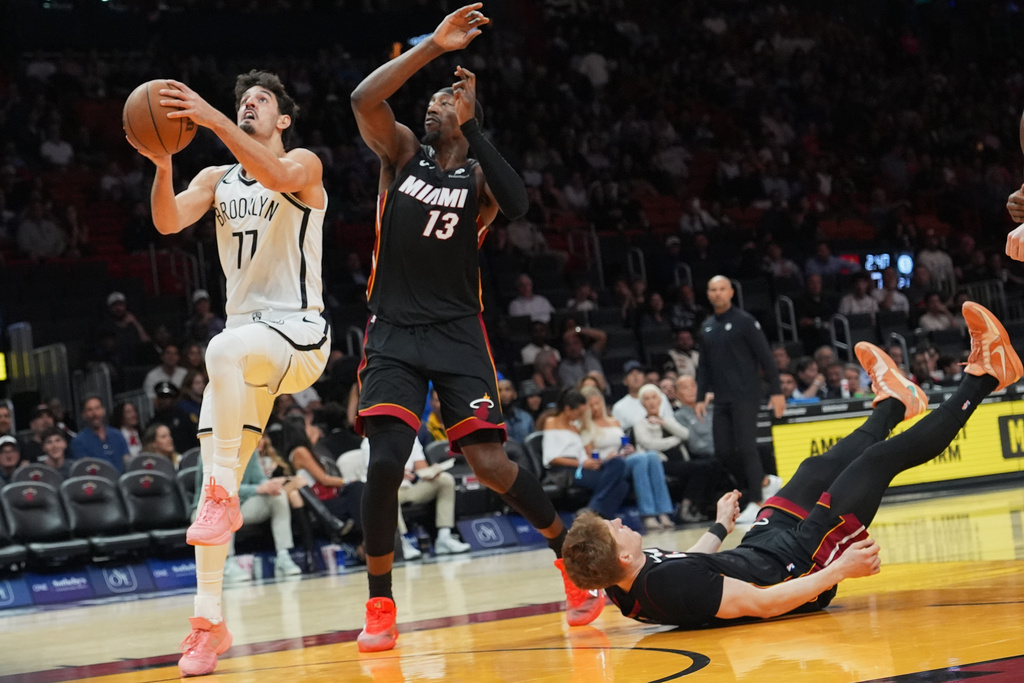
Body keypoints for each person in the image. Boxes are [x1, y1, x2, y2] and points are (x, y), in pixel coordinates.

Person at [349, 3, 601, 652]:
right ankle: (380, 600)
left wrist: (475, 125)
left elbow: (518, 204)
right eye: (431, 100)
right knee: (385, 461)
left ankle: (568, 562)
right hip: (395, 329)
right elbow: (363, 96)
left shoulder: (479, 177)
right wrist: (432, 47)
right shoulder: (401, 151)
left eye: (443, 101)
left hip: (460, 330)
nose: (432, 106)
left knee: (490, 462)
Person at [562, 303, 1019, 628]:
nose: (620, 520)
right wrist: (837, 571)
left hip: (764, 547)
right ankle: (986, 376)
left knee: (813, 469)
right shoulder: (670, 588)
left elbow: (690, 562)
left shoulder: (624, 580)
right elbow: (762, 604)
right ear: (622, 555)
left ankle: (896, 403)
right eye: (613, 527)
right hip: (801, 568)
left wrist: (720, 527)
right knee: (880, 460)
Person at [130, 69, 331, 676]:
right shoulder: (216, 179)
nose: (248, 104)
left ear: (284, 118)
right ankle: (206, 624)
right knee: (205, 501)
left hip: (298, 333)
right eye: (243, 99)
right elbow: (167, 222)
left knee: (219, 348)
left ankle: (224, 497)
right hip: (246, 352)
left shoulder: (304, 163)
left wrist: (212, 116)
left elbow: (274, 175)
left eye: (261, 100)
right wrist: (164, 160)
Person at [697, 276, 784, 525]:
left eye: (722, 289)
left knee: (746, 447)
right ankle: (765, 482)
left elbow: (766, 358)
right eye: (712, 290)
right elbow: (703, 365)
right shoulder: (707, 327)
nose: (717, 294)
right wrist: (701, 395)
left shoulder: (745, 322)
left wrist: (776, 391)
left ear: (731, 292)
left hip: (746, 394)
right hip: (721, 397)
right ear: (708, 294)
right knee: (723, 451)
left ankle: (758, 501)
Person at [358, 437, 471, 559]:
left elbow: (420, 466)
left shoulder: (411, 437)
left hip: (409, 488)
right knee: (388, 491)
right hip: (383, 490)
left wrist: (432, 471)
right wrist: (396, 472)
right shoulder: (370, 442)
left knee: (445, 480)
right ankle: (401, 543)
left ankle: (444, 537)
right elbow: (376, 473)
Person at [580, 386, 673, 531]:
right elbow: (590, 455)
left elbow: (623, 442)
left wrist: (629, 449)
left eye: (598, 403)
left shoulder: (614, 421)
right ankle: (648, 514)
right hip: (608, 466)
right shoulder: (586, 427)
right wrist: (607, 457)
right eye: (591, 405)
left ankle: (663, 512)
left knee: (652, 456)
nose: (596, 408)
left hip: (624, 458)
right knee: (641, 460)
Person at [217, 453, 305, 585]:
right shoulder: (212, 451)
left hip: (243, 504)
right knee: (227, 504)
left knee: (278, 496)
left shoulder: (250, 450)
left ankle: (283, 556)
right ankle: (227, 563)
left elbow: (260, 479)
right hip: (210, 508)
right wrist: (258, 488)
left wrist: (270, 485)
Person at [541, 388, 629, 520]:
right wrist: (582, 463)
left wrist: (591, 462)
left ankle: (597, 515)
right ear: (568, 409)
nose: (581, 416)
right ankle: (594, 509)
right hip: (565, 470)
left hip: (582, 466)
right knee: (621, 485)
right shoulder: (551, 422)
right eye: (579, 412)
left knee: (618, 463)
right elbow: (552, 458)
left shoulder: (576, 426)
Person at [70, 395, 131, 472]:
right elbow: (84, 470)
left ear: (103, 410)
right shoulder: (78, 441)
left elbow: (127, 461)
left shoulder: (118, 435)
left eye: (97, 408)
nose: (95, 413)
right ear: (84, 415)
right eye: (90, 410)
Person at [611, 361, 673, 431]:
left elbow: (672, 423)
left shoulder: (661, 397)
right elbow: (620, 434)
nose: (635, 376)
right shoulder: (619, 407)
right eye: (631, 374)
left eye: (639, 373)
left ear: (645, 378)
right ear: (625, 381)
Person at [148, 381, 200, 455]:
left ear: (174, 399)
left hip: (187, 457)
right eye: (161, 397)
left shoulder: (185, 417)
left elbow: (195, 440)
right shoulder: (153, 422)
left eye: (167, 397)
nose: (164, 401)